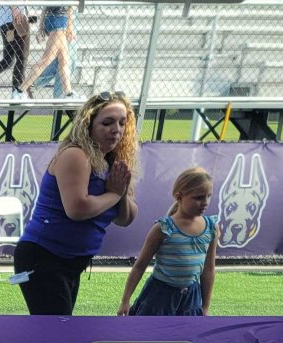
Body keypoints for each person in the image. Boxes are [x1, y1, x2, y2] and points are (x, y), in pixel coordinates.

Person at [13, 91, 138, 315]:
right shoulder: (76, 155)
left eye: (122, 122)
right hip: (45, 256)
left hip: (72, 262)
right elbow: (77, 209)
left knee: (61, 331)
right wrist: (115, 194)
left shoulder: (113, 162)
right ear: (88, 125)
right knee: (57, 332)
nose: (116, 129)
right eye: (107, 123)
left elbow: (124, 219)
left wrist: (122, 192)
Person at [117, 166, 217, 317]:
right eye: (198, 197)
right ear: (179, 197)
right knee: (153, 339)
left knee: (185, 339)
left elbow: (208, 270)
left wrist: (205, 306)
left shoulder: (211, 228)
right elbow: (140, 266)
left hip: (191, 299)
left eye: (208, 196)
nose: (205, 202)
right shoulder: (163, 228)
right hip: (159, 297)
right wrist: (125, 300)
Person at [21, 6, 74, 98]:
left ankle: (69, 94)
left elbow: (48, 7)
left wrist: (41, 27)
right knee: (47, 59)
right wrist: (70, 25)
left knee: (63, 61)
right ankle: (21, 90)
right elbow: (70, 6)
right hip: (58, 21)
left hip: (57, 20)